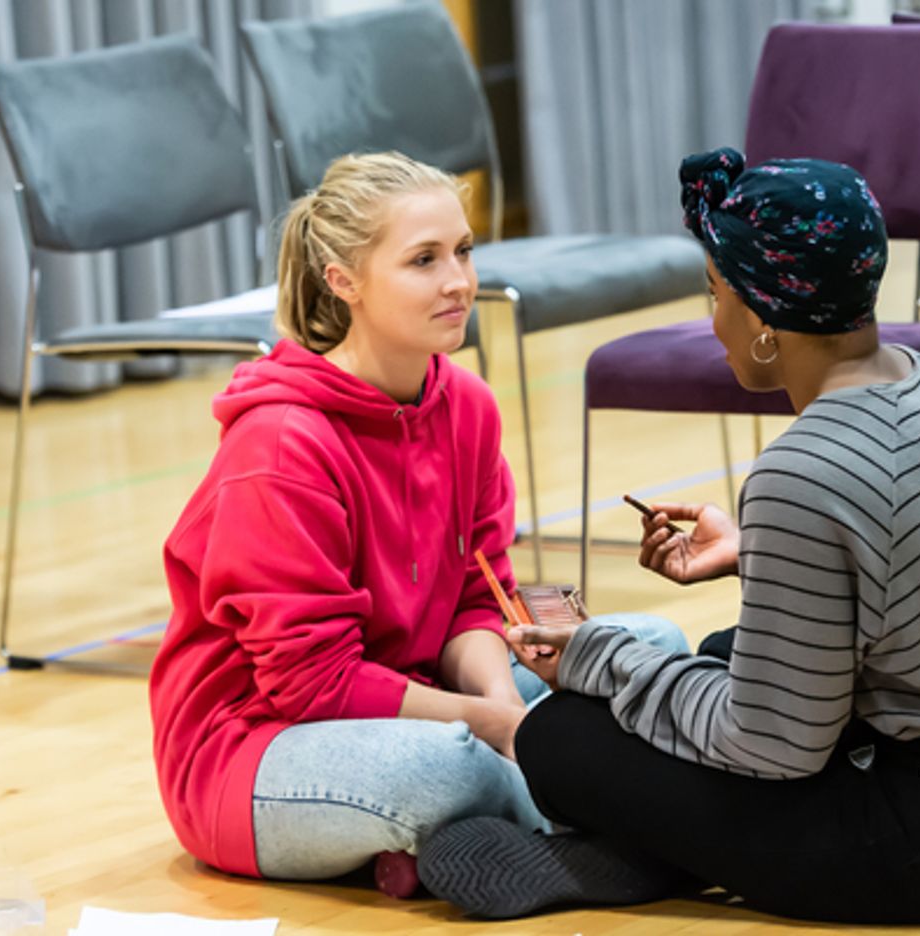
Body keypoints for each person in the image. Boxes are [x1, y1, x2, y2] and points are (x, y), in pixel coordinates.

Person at [418, 147, 920, 924]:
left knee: (563, 736)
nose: (709, 320)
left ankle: (645, 853)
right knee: (724, 652)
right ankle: (664, 849)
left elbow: (771, 747)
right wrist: (759, 554)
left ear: (761, 319)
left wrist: (597, 655)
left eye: (713, 293)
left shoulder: (801, 469)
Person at [148, 151, 687, 896]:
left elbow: (479, 597)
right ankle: (614, 836)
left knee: (646, 649)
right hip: (255, 749)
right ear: (345, 281)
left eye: (463, 251)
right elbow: (310, 682)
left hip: (415, 696)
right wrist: (496, 732)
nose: (459, 281)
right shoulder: (279, 442)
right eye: (424, 260)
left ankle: (457, 846)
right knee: (450, 768)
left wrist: (501, 707)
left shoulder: (467, 406)